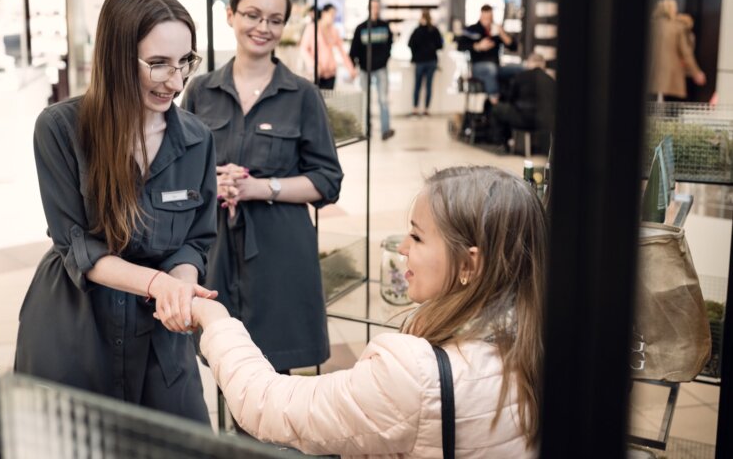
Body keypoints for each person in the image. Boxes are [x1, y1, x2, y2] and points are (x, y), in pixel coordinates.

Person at [186, 166, 544, 458]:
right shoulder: (536, 340)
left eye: (417, 238)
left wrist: (215, 320)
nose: (402, 248)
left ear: (469, 262)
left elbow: (266, 404)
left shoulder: (415, 376)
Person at [14, 0, 219, 423]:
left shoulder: (197, 139)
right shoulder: (60, 129)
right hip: (76, 327)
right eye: (158, 64)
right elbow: (77, 247)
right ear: (116, 58)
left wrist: (180, 286)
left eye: (186, 62)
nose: (177, 81)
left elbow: (196, 241)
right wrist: (158, 284)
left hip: (159, 336)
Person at [182, 0, 344, 374]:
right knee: (223, 358)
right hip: (214, 245)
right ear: (230, 15)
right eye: (252, 15)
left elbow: (327, 180)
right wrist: (210, 184)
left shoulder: (302, 94)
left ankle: (272, 442)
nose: (263, 28)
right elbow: (176, 173)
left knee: (273, 370)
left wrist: (261, 187)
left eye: (275, 19)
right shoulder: (201, 91)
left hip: (280, 248)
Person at [490, 53, 557, 152]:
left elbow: (510, 99)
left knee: (497, 108)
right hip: (545, 122)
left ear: (529, 63)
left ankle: (502, 143)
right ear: (543, 64)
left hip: (522, 120)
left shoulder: (520, 76)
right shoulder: (551, 81)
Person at [349, 0, 395, 140]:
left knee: (383, 99)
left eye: (377, 7)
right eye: (373, 7)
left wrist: (385, 59)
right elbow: (354, 50)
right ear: (369, 9)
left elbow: (390, 45)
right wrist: (354, 66)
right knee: (365, 100)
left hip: (381, 68)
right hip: (364, 69)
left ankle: (385, 130)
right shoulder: (360, 28)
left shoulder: (385, 26)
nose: (375, 9)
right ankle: (365, 130)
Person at [457, 4, 520, 98]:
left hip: (496, 65)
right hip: (477, 66)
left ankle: (513, 99)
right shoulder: (472, 30)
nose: (487, 21)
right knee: (490, 69)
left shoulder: (496, 31)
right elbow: (460, 46)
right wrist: (478, 46)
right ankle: (494, 100)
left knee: (520, 69)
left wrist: (502, 34)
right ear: (481, 16)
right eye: (485, 18)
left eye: (489, 18)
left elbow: (513, 47)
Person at [649, 0, 706, 101]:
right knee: (670, 106)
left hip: (651, 71)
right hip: (671, 73)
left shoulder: (651, 25)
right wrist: (696, 72)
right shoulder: (677, 27)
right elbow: (686, 53)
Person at [299, 3, 357, 89]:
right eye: (331, 14)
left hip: (331, 73)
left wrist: (351, 69)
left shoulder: (334, 30)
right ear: (323, 13)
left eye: (334, 15)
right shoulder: (312, 28)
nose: (332, 17)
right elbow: (303, 49)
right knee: (315, 99)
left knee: (328, 101)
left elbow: (342, 52)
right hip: (316, 74)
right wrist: (313, 65)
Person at [407, 9, 444, 116]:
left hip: (420, 61)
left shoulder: (417, 30)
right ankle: (426, 110)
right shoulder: (434, 30)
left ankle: (415, 109)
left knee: (418, 86)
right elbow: (440, 45)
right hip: (431, 61)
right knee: (428, 86)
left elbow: (410, 44)